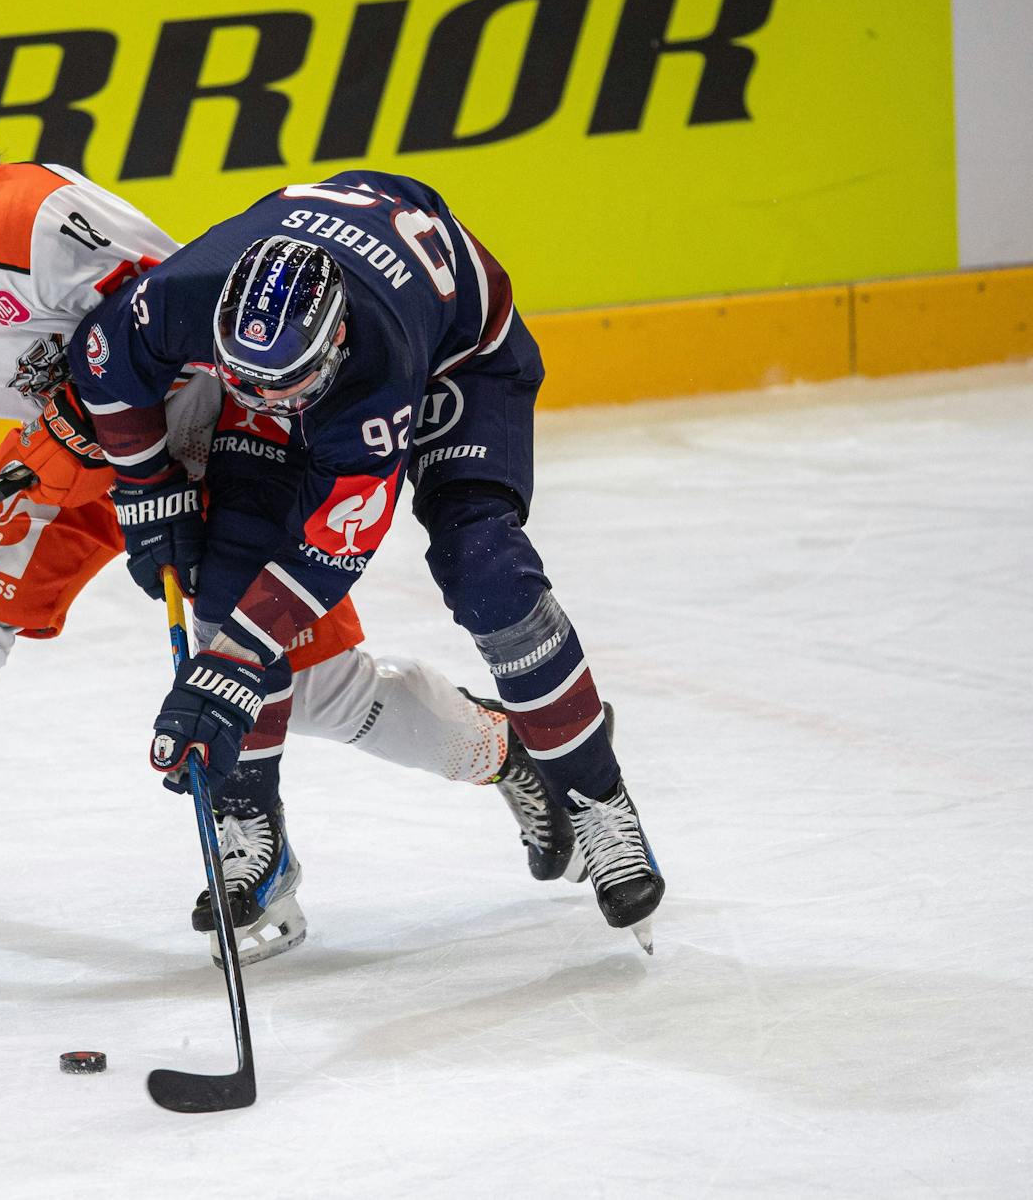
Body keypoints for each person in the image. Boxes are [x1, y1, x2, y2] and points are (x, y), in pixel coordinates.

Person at [0, 101, 577, 959]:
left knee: (313, 693)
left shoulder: (38, 218)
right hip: (60, 463)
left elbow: (188, 310)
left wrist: (112, 421)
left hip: (207, 439)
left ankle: (508, 750)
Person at [68, 173, 666, 950]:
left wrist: (234, 661)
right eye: (245, 380)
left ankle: (595, 793)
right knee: (233, 568)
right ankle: (257, 831)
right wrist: (151, 489)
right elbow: (106, 354)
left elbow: (329, 547)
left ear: (334, 341)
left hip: (458, 353)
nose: (265, 400)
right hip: (338, 319)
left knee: (482, 563)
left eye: (285, 385)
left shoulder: (374, 367)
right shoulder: (197, 291)